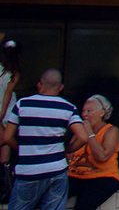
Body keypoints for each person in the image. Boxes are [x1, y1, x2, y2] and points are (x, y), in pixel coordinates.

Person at [2, 69, 89, 210]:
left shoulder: (22, 105)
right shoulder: (68, 107)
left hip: (28, 172)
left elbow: (6, 137)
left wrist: (21, 149)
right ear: (61, 88)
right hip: (57, 169)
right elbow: (83, 137)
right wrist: (67, 150)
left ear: (39, 85)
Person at [67, 95, 119, 210]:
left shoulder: (111, 131)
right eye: (83, 111)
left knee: (84, 205)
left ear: (102, 113)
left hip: (102, 177)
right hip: (74, 175)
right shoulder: (81, 130)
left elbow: (102, 157)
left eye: (89, 111)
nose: (84, 114)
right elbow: (70, 152)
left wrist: (90, 134)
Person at [0, 38, 22, 168]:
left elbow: (8, 93)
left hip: (5, 110)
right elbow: (7, 93)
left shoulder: (10, 71)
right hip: (7, 111)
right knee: (6, 142)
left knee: (5, 140)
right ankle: (5, 169)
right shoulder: (15, 72)